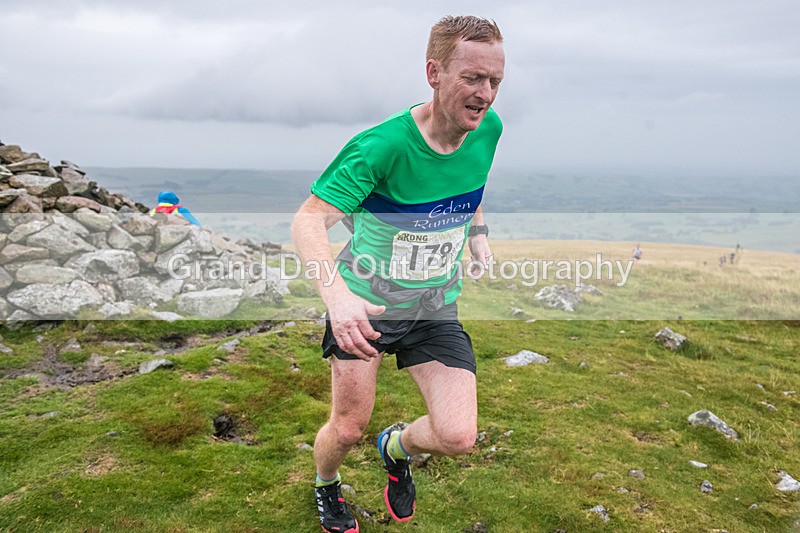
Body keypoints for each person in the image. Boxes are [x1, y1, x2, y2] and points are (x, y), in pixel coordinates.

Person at [291, 15, 504, 533]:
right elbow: (307, 221)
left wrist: (477, 231)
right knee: (347, 428)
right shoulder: (381, 146)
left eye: (495, 80)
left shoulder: (487, 129)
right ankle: (326, 484)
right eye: (472, 78)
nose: (485, 94)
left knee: (458, 436)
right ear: (434, 72)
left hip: (434, 306)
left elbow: (469, 184)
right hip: (366, 304)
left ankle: (396, 447)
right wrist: (337, 298)